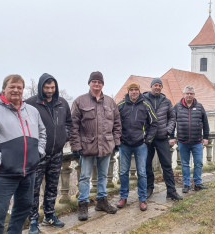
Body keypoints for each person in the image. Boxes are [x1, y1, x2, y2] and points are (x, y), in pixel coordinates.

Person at [0, 75, 46, 234]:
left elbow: (42, 132)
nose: (16, 90)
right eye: (12, 86)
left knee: (23, 209)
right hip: (3, 174)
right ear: (4, 88)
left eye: (19, 87)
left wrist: (38, 152)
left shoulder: (31, 111)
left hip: (29, 172)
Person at [70, 71, 121, 221]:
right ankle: (83, 205)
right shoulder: (80, 101)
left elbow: (117, 124)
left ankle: (101, 201)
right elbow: (73, 126)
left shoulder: (110, 102)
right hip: (87, 147)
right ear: (89, 83)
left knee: (103, 175)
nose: (96, 84)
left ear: (102, 84)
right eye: (94, 82)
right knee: (85, 177)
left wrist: (116, 142)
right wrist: (76, 145)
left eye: (99, 82)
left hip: (106, 146)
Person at [25, 73, 72, 233]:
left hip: (57, 153)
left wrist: (64, 136)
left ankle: (50, 215)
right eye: (46, 87)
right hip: (38, 155)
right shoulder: (31, 104)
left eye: (52, 87)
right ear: (40, 87)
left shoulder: (62, 103)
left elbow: (68, 123)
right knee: (34, 189)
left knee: (52, 187)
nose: (50, 90)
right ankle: (32, 220)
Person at [116, 83, 158, 211]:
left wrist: (147, 140)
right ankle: (123, 197)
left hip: (141, 145)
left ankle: (142, 198)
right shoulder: (121, 105)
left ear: (139, 91)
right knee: (123, 172)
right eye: (131, 90)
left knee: (141, 173)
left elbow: (154, 123)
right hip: (125, 145)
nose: (134, 92)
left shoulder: (145, 105)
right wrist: (118, 139)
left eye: (136, 90)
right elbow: (114, 123)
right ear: (128, 92)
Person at [143, 78, 183, 201]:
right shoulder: (143, 99)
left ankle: (171, 191)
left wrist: (168, 130)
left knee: (167, 165)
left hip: (161, 137)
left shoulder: (166, 101)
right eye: (155, 85)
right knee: (146, 165)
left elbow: (172, 117)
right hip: (147, 138)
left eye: (159, 85)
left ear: (161, 88)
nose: (157, 87)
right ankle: (149, 188)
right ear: (151, 86)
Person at [173, 86, 209, 193]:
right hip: (182, 141)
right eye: (187, 93)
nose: (189, 95)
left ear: (194, 95)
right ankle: (186, 184)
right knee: (185, 164)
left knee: (198, 163)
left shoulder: (199, 107)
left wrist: (206, 137)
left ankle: (197, 183)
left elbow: (206, 123)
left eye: (191, 93)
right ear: (183, 94)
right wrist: (171, 137)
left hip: (197, 141)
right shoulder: (177, 107)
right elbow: (171, 123)